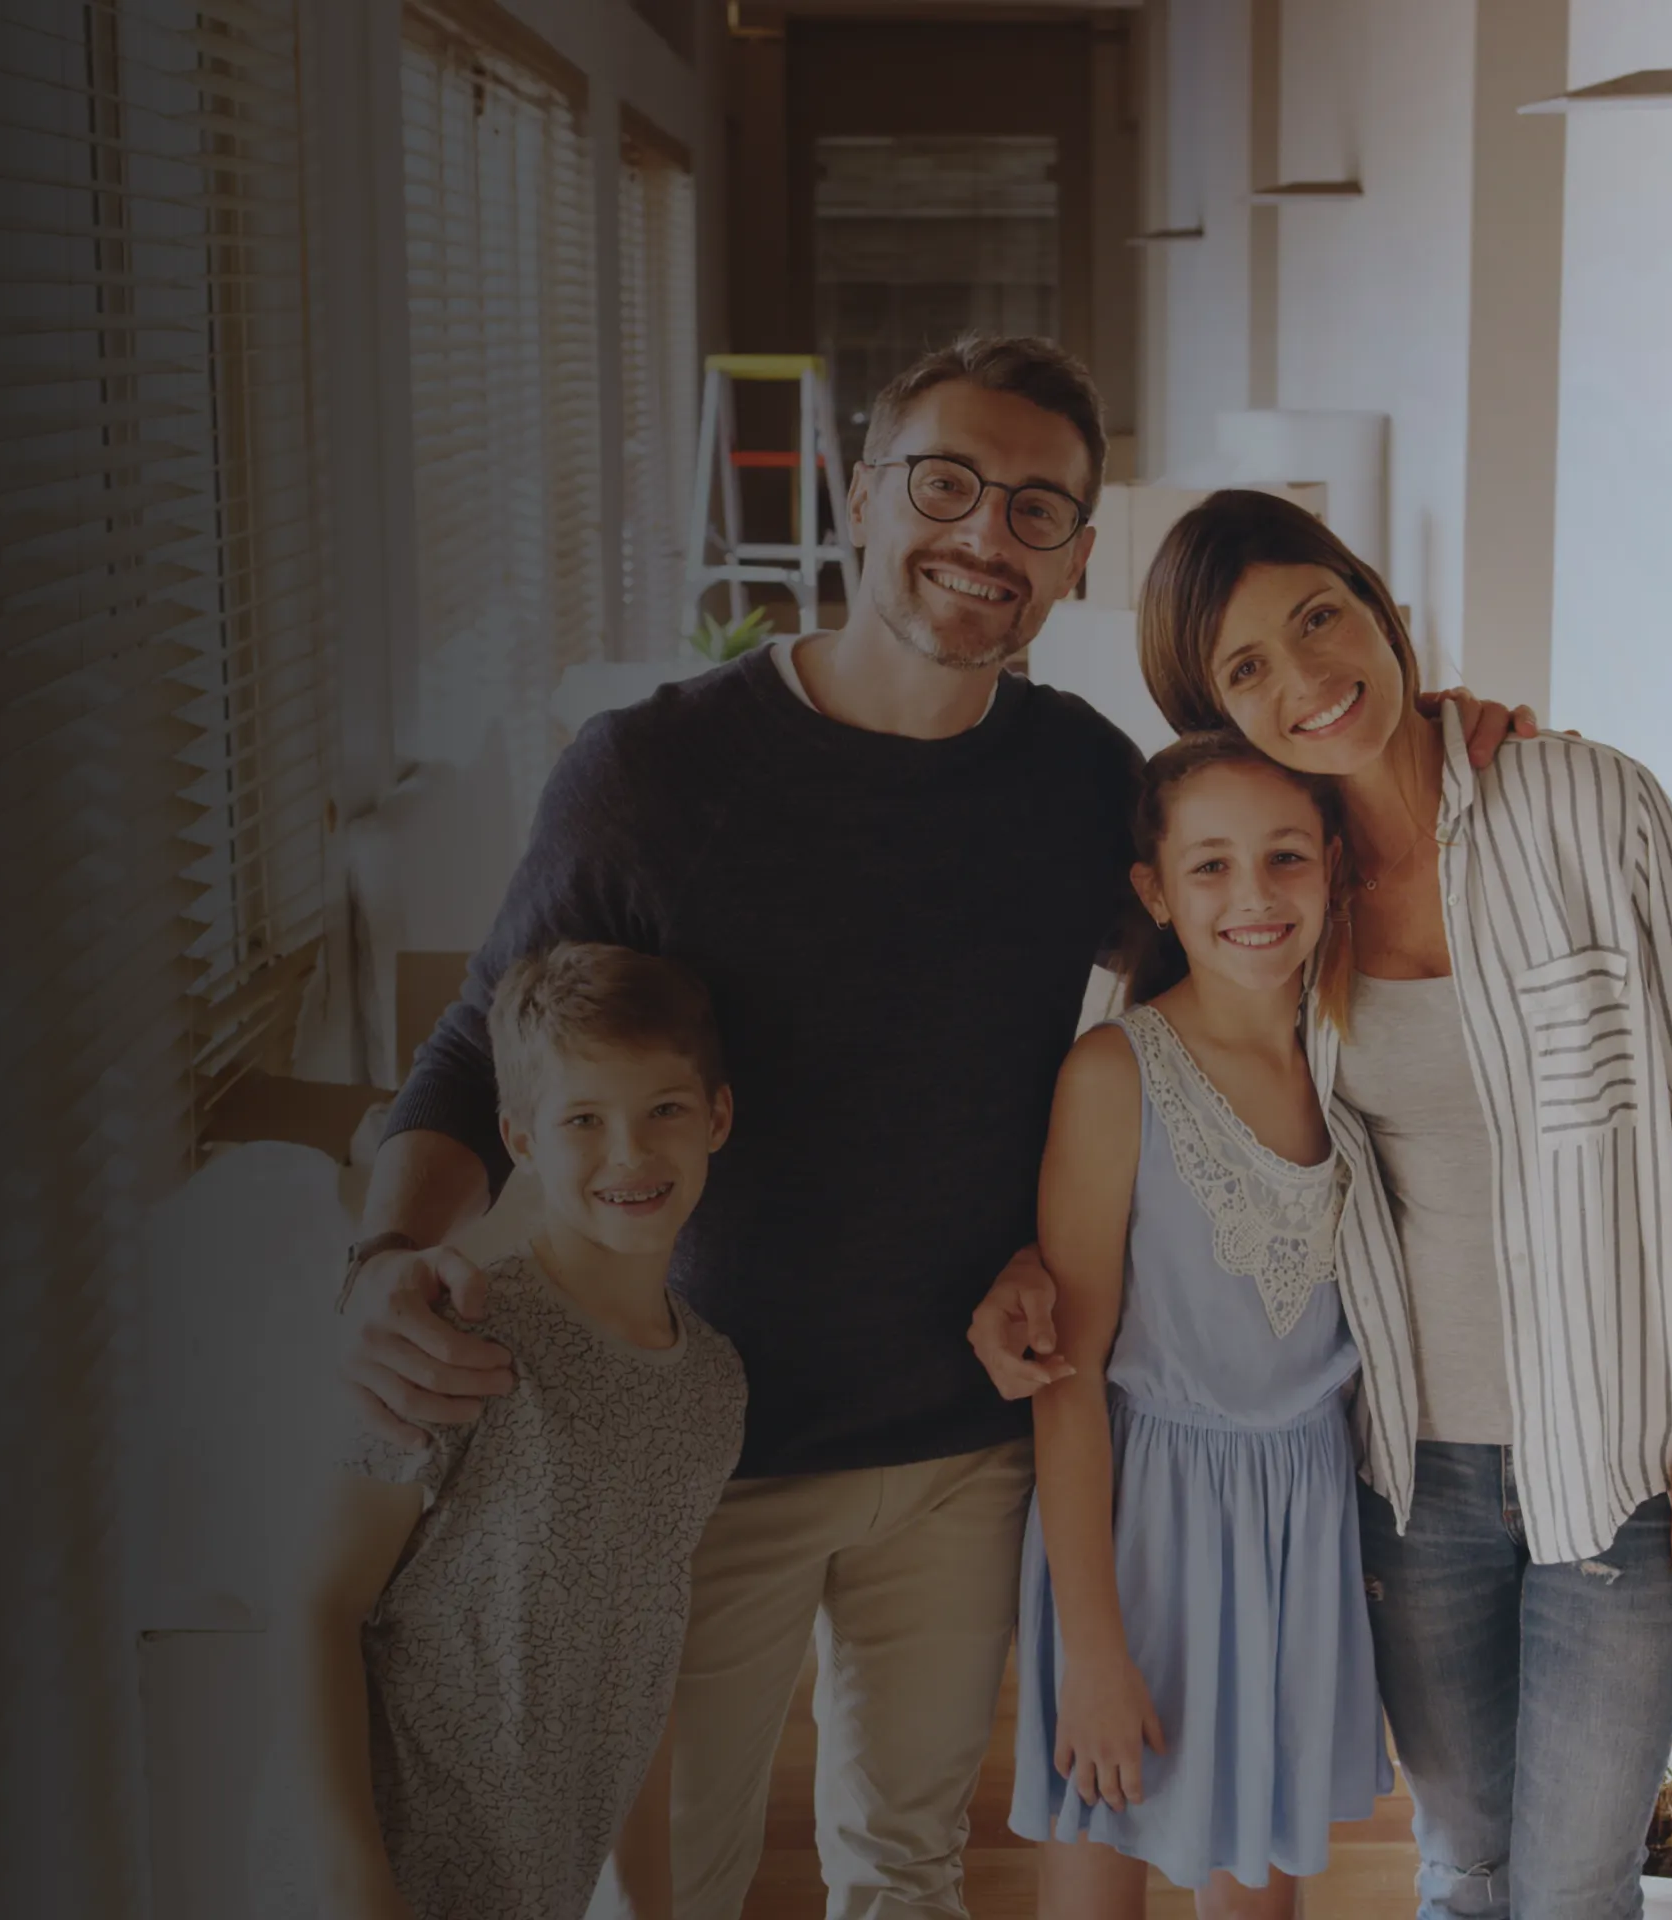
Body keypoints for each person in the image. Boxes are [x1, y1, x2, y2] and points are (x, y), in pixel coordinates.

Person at [333, 331, 1535, 1920]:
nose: (986, 535)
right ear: (858, 493)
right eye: (948, 484)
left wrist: (1422, 758)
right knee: (673, 1882)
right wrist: (385, 1255)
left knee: (906, 1872)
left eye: (1037, 511)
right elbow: (480, 1036)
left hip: (970, 1445)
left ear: (1076, 561)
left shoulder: (1073, 780)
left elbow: (1246, 928)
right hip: (718, 1437)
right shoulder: (653, 771)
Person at [1125, 488, 1672, 1919]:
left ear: (1379, 606)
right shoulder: (1283, 902)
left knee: (1570, 1885)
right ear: (1220, 716)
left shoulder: (1590, 804)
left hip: (1615, 1468)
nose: (1308, 678)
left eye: (1319, 617)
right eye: (1248, 671)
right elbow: (1154, 1079)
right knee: (1461, 1867)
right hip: (1408, 1480)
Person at [260, 943, 750, 1920]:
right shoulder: (451, 1334)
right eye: (582, 1120)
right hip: (382, 1884)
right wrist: (357, 1886)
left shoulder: (713, 1388)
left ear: (717, 1118)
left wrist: (648, 1907)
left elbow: (640, 1668)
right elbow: (311, 1608)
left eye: (663, 1109)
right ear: (519, 1138)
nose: (631, 1154)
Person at [999, 734, 1387, 1920]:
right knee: (1099, 1865)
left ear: (1331, 867)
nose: (1254, 897)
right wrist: (1094, 1650)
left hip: (1301, 1524)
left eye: (1283, 858)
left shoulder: (1360, 1056)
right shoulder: (1116, 1075)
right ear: (1156, 892)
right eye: (1211, 868)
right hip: (1141, 1525)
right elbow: (1067, 1380)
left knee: (1258, 1897)